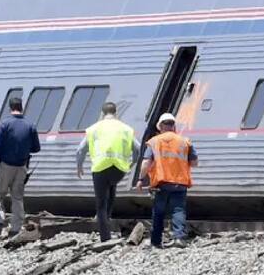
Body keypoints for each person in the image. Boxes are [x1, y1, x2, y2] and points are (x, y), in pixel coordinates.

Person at [76, 102, 139, 242]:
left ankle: (105, 237)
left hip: (100, 168)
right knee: (111, 190)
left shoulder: (94, 129)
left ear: (103, 113)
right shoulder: (126, 129)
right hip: (119, 169)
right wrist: (132, 162)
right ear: (116, 113)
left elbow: (80, 150)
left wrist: (79, 166)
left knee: (101, 204)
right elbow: (137, 148)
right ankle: (108, 221)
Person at [0, 95, 40, 237]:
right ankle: (16, 229)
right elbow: (36, 148)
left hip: (5, 166)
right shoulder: (30, 125)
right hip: (22, 167)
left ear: (10, 108)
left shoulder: (4, 124)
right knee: (17, 198)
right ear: (21, 107)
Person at [139, 112, 198, 248]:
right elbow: (195, 163)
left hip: (161, 182)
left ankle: (156, 241)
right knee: (178, 210)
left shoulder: (154, 141)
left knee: (159, 211)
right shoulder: (185, 141)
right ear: (174, 126)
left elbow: (146, 162)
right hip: (180, 182)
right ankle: (179, 238)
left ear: (160, 126)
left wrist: (141, 179)